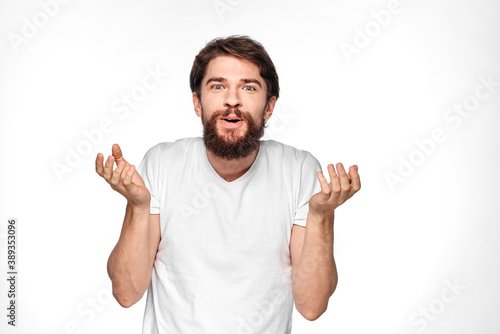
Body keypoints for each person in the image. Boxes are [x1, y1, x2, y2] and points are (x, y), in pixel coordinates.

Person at [95, 35, 361, 334]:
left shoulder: (299, 169)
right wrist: (137, 206)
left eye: (248, 87)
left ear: (269, 106)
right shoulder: (162, 164)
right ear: (198, 102)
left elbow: (311, 306)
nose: (232, 99)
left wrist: (322, 216)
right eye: (218, 86)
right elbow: (126, 293)